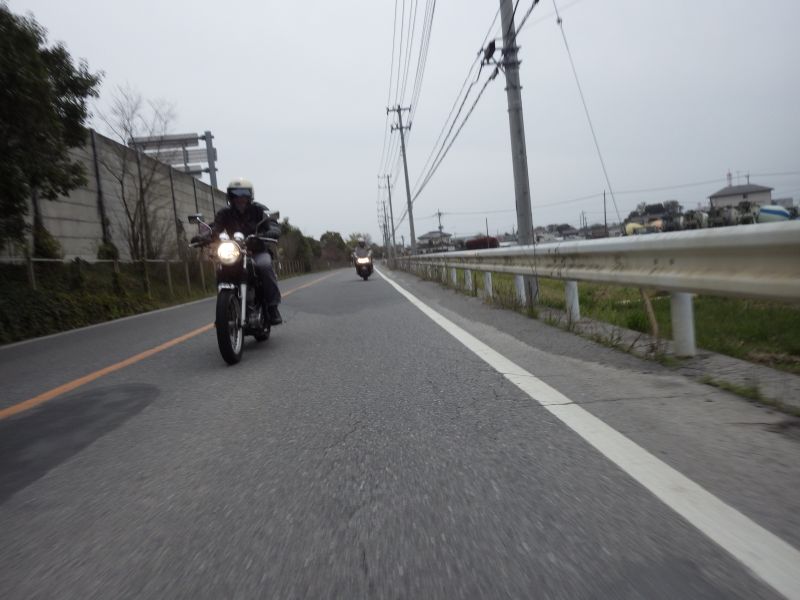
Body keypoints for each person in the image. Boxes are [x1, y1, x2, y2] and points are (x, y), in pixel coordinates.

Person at [193, 178, 283, 325]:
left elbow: (272, 225)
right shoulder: (225, 213)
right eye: (235, 194)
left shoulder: (259, 210)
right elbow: (215, 228)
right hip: (234, 251)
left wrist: (269, 233)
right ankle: (224, 311)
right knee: (221, 268)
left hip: (257, 250)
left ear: (250, 196)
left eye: (243, 194)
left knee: (265, 266)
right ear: (230, 196)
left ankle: (273, 307)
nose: (240, 198)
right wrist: (203, 236)